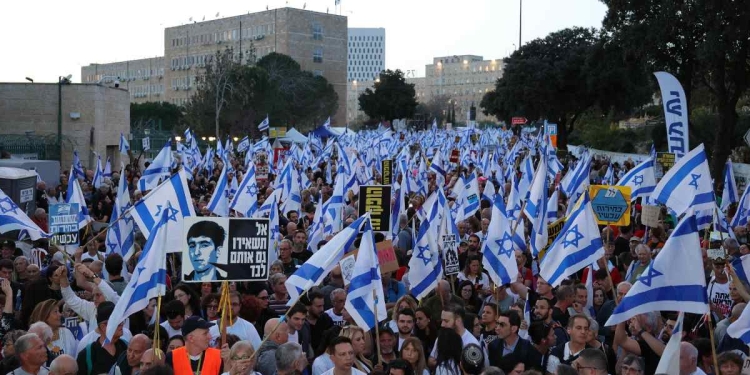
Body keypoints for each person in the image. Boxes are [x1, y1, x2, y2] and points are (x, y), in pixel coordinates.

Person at [76, 302, 129, 375]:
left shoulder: (127, 347)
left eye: (122, 320)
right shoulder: (87, 355)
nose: (122, 324)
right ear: (104, 327)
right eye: (117, 322)